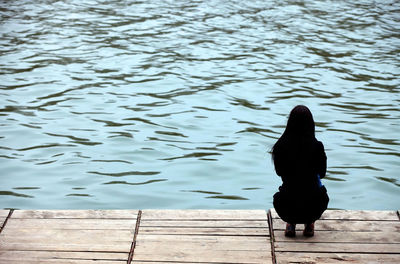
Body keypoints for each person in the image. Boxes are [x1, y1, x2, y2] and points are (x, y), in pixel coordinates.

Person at [271, 105, 329, 237]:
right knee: (320, 194)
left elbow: (279, 172)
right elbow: (322, 173)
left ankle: (291, 223)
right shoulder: (317, 146)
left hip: (287, 206)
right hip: (313, 206)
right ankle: (309, 223)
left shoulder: (280, 146)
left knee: (281, 195)